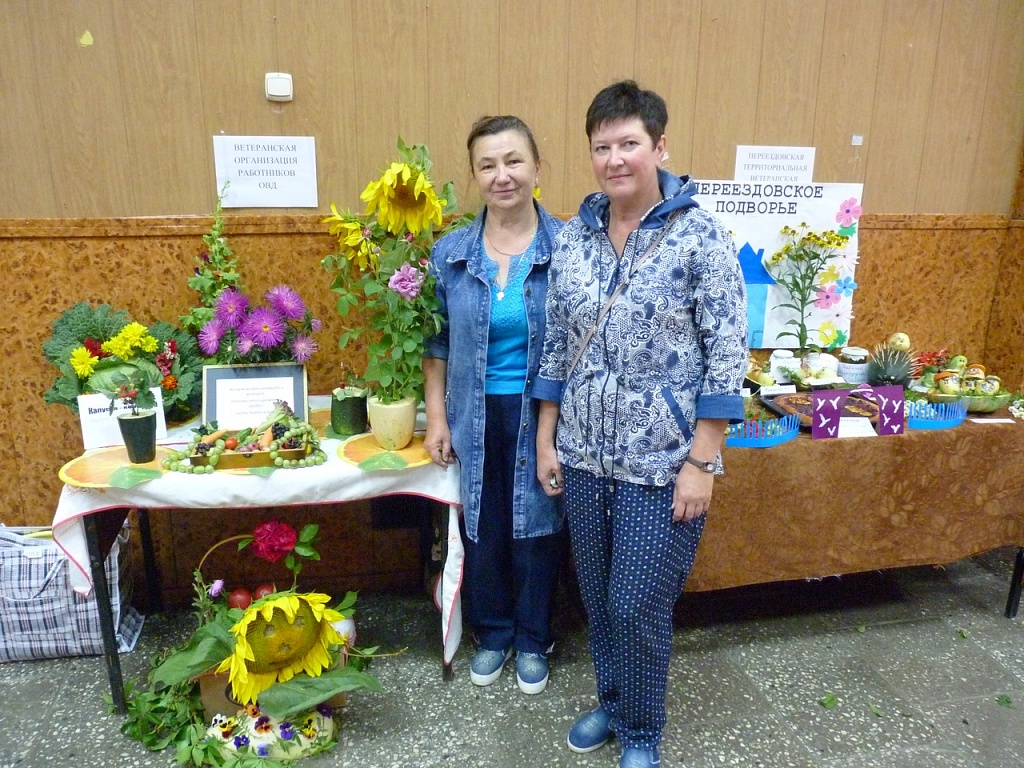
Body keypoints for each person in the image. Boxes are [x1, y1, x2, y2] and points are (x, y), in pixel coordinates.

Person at [534, 81, 748, 768]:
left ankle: (643, 731)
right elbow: (556, 345)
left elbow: (727, 354)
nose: (615, 158)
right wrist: (545, 437)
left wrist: (702, 462)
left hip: (662, 463)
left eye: (629, 143)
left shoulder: (700, 236)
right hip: (583, 455)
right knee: (599, 600)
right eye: (602, 147)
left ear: (660, 147)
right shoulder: (575, 237)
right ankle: (615, 698)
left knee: (637, 604)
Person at [423, 115, 565, 695]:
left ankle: (533, 638)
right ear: (474, 175)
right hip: (473, 413)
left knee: (538, 525)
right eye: (487, 165)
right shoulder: (450, 254)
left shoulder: (569, 249)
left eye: (513, 161)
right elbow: (435, 345)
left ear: (536, 167)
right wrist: (437, 418)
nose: (502, 175)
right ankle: (494, 633)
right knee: (482, 522)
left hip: (544, 413)